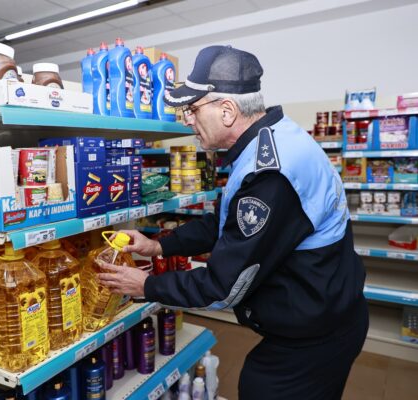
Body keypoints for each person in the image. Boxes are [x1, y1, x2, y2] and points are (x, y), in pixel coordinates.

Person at [98, 45, 368, 399]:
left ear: (226, 111)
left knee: (259, 388)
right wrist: (159, 246)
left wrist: (146, 286)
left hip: (317, 335)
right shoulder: (269, 140)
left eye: (193, 109)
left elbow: (223, 285)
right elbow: (227, 223)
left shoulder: (270, 174)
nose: (187, 120)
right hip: (321, 314)